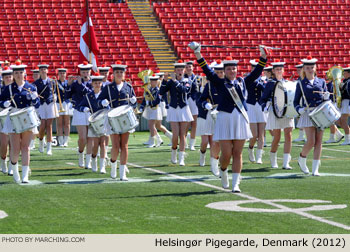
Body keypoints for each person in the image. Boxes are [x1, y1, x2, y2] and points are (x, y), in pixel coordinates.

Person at [189, 41, 268, 192]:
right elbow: (206, 70)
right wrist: (198, 53)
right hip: (224, 119)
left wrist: (263, 57)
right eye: (229, 69)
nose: (232, 71)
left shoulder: (243, 82)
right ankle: (224, 170)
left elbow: (257, 72)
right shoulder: (219, 83)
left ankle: (236, 183)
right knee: (226, 154)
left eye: (234, 68)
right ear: (224, 71)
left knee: (237, 153)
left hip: (240, 119)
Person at [0, 61, 40, 183]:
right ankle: (15, 170)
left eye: (20, 72)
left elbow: (37, 104)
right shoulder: (8, 88)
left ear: (24, 73)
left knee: (26, 147)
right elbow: (0, 101)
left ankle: (25, 175)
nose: (18, 75)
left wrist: (35, 99)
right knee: (15, 147)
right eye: (16, 73)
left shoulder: (31, 87)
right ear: (13, 74)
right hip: (13, 116)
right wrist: (4, 103)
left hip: (27, 117)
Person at [98, 61, 137, 180]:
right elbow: (99, 101)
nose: (119, 74)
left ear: (124, 74)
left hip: (125, 120)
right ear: (113, 74)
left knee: (124, 146)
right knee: (115, 145)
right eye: (117, 72)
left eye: (121, 72)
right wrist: (102, 102)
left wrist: (134, 103)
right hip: (113, 119)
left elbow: (132, 105)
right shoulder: (108, 87)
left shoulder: (128, 87)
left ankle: (122, 173)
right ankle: (113, 167)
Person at [293, 56, 329, 176]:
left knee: (319, 142)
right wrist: (300, 109)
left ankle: (315, 169)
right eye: (307, 67)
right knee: (311, 141)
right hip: (308, 113)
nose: (310, 69)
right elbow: (295, 102)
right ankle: (302, 158)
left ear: (315, 68)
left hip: (320, 113)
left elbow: (326, 98)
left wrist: (327, 97)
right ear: (304, 69)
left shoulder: (322, 82)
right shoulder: (301, 83)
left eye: (312, 67)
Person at [259, 59, 294, 170]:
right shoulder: (270, 84)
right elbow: (263, 99)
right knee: (277, 137)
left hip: (287, 112)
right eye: (277, 69)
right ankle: (273, 160)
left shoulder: (287, 83)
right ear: (273, 71)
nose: (279, 71)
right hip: (275, 112)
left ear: (283, 70)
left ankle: (285, 162)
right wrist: (266, 105)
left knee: (289, 135)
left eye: (280, 69)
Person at [159, 60, 194, 166]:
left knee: (182, 135)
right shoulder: (171, 82)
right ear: (175, 70)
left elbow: (185, 90)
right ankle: (173, 153)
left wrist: (175, 82)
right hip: (173, 109)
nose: (180, 72)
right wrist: (164, 81)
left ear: (184, 70)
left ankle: (181, 158)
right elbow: (161, 92)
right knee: (175, 135)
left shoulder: (188, 80)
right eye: (178, 70)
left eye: (181, 70)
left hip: (184, 109)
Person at [77, 73, 108, 173]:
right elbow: (79, 106)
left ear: (101, 84)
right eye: (95, 83)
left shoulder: (105, 94)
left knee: (103, 143)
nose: (97, 85)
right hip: (93, 122)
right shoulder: (88, 96)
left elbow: (111, 106)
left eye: (99, 83)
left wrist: (107, 105)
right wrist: (84, 108)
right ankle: (94, 160)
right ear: (92, 84)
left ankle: (102, 166)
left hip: (103, 121)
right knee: (95, 144)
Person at [197, 62, 221, 176]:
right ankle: (214, 164)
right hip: (212, 114)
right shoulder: (209, 85)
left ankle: (220, 163)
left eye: (221, 72)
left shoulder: (230, 84)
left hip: (227, 114)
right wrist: (205, 104)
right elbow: (200, 99)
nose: (220, 74)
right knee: (213, 142)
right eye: (217, 72)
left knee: (225, 143)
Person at [66, 61, 93, 168]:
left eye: (87, 71)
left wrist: (81, 84)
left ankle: (88, 160)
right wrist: (68, 84)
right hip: (79, 111)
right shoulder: (75, 83)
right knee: (83, 138)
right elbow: (67, 95)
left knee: (90, 137)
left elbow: (90, 93)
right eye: (83, 71)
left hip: (91, 111)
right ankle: (81, 153)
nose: (85, 73)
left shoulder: (94, 82)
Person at [33, 63, 58, 156]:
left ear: (47, 71)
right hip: (42, 104)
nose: (43, 71)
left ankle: (49, 148)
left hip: (50, 103)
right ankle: (40, 141)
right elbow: (34, 93)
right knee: (43, 124)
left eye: (45, 69)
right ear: (39, 71)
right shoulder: (36, 83)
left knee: (49, 125)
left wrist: (54, 96)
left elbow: (55, 91)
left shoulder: (52, 81)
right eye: (41, 69)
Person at [246, 59, 267, 164]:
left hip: (260, 106)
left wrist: (263, 85)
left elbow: (266, 91)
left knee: (261, 134)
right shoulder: (248, 78)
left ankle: (259, 157)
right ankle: (250, 148)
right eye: (253, 67)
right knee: (254, 134)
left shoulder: (263, 80)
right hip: (251, 106)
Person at [139, 74, 163, 147]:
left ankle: (152, 142)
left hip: (155, 109)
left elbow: (157, 101)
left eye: (154, 81)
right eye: (151, 81)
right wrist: (141, 107)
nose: (152, 82)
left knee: (151, 126)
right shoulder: (148, 89)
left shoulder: (158, 90)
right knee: (151, 126)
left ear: (156, 82)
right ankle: (159, 139)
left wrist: (149, 103)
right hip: (150, 109)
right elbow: (145, 98)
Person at [324, 70, 344, 143]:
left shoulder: (331, 84)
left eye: (327, 74)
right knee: (332, 121)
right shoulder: (335, 83)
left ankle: (333, 137)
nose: (325, 76)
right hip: (334, 103)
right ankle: (338, 134)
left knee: (332, 121)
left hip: (333, 103)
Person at [55, 68, 73, 147]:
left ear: (66, 74)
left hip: (66, 103)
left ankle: (66, 140)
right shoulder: (55, 83)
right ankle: (60, 140)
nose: (62, 75)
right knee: (59, 123)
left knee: (67, 123)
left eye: (63, 73)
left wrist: (69, 84)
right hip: (58, 103)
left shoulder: (69, 83)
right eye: (61, 73)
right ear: (58, 74)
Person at [0, 66, 13, 174]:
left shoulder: (16, 88)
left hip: (14, 117)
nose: (8, 79)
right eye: (6, 77)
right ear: (3, 78)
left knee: (14, 143)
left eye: (10, 76)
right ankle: (3, 160)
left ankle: (12, 165)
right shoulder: (1, 89)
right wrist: (2, 104)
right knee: (4, 143)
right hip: (2, 117)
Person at [184, 61, 199, 151]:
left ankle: (192, 144)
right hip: (185, 101)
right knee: (186, 123)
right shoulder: (182, 77)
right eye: (187, 67)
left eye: (190, 66)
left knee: (194, 123)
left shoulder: (197, 78)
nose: (189, 68)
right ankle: (184, 142)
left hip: (194, 101)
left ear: (193, 67)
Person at [293, 62, 307, 142]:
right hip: (300, 99)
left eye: (299, 70)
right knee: (299, 117)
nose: (298, 71)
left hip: (306, 100)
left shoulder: (306, 78)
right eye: (297, 70)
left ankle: (306, 136)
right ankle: (301, 135)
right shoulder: (299, 79)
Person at [338, 65, 350, 145]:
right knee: (341, 121)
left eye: (345, 73)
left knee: (343, 121)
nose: (343, 74)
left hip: (347, 102)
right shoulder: (346, 81)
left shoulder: (348, 82)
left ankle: (347, 139)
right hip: (345, 102)